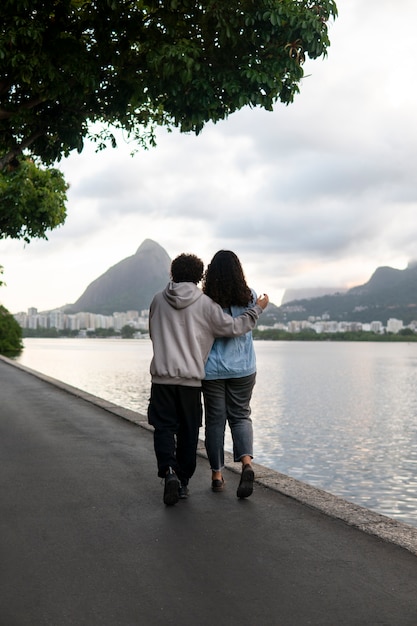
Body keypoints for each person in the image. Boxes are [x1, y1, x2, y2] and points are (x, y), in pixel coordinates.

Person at [148, 253, 268, 506]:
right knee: (195, 431)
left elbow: (153, 332)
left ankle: (181, 473)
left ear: (173, 273)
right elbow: (234, 327)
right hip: (199, 377)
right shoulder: (207, 303)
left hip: (168, 377)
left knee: (167, 428)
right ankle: (186, 481)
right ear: (198, 275)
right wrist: (257, 309)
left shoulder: (158, 300)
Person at [202, 250, 262, 499]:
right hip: (244, 368)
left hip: (213, 370)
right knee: (241, 416)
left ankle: (217, 475)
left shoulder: (205, 301)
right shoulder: (251, 297)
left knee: (215, 421)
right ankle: (246, 463)